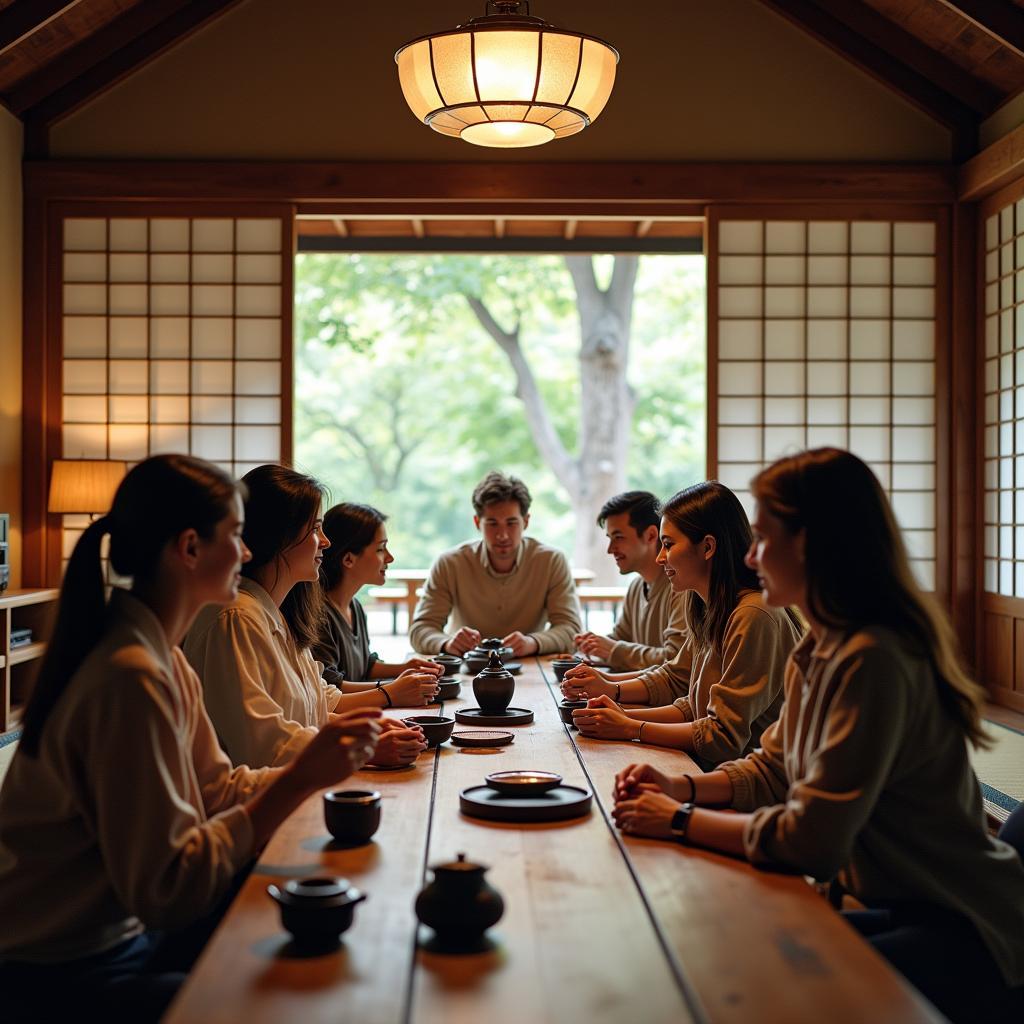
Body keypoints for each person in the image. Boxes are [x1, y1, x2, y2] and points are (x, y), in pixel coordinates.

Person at [611, 449, 1024, 1023]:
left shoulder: (873, 657)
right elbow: (769, 767)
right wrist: (680, 790)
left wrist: (677, 821)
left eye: (763, 537)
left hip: (965, 923)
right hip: (898, 902)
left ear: (812, 544)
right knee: (715, 952)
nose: (751, 556)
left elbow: (813, 840)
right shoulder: (819, 647)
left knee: (756, 986)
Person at [0, 454, 381, 1023]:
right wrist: (302, 778)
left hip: (120, 937)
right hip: (61, 968)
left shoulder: (161, 655)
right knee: (293, 996)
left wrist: (325, 770)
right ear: (190, 548)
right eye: (235, 535)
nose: (248, 552)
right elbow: (169, 888)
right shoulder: (131, 675)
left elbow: (219, 787)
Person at [184, 465, 435, 769]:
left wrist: (361, 731)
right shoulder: (236, 618)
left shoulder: (278, 612)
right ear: (281, 535)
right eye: (316, 529)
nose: (326, 542)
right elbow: (261, 742)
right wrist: (362, 750)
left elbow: (314, 706)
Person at [564, 481, 802, 767]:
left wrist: (629, 726)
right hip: (712, 766)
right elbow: (689, 699)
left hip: (742, 779)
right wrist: (619, 711)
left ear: (708, 547)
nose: (660, 556)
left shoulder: (753, 615)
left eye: (668, 545)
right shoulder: (707, 605)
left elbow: (722, 737)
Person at [409, 471, 582, 657]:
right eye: (492, 523)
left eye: (511, 523)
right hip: (467, 666)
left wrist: (533, 642)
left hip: (528, 662)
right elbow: (420, 629)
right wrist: (447, 643)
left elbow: (571, 629)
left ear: (526, 521)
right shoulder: (450, 563)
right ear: (477, 523)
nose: (503, 535)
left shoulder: (551, 561)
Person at [315, 502, 442, 684]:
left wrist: (407, 667)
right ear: (349, 559)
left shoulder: (354, 606)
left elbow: (366, 666)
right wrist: (394, 689)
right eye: (381, 549)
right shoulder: (318, 614)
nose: (390, 557)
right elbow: (331, 689)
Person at [573, 490, 688, 671]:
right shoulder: (636, 586)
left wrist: (612, 649)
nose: (610, 549)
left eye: (618, 537)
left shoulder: (681, 586)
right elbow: (619, 639)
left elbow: (675, 659)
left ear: (651, 535)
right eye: (610, 539)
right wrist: (590, 646)